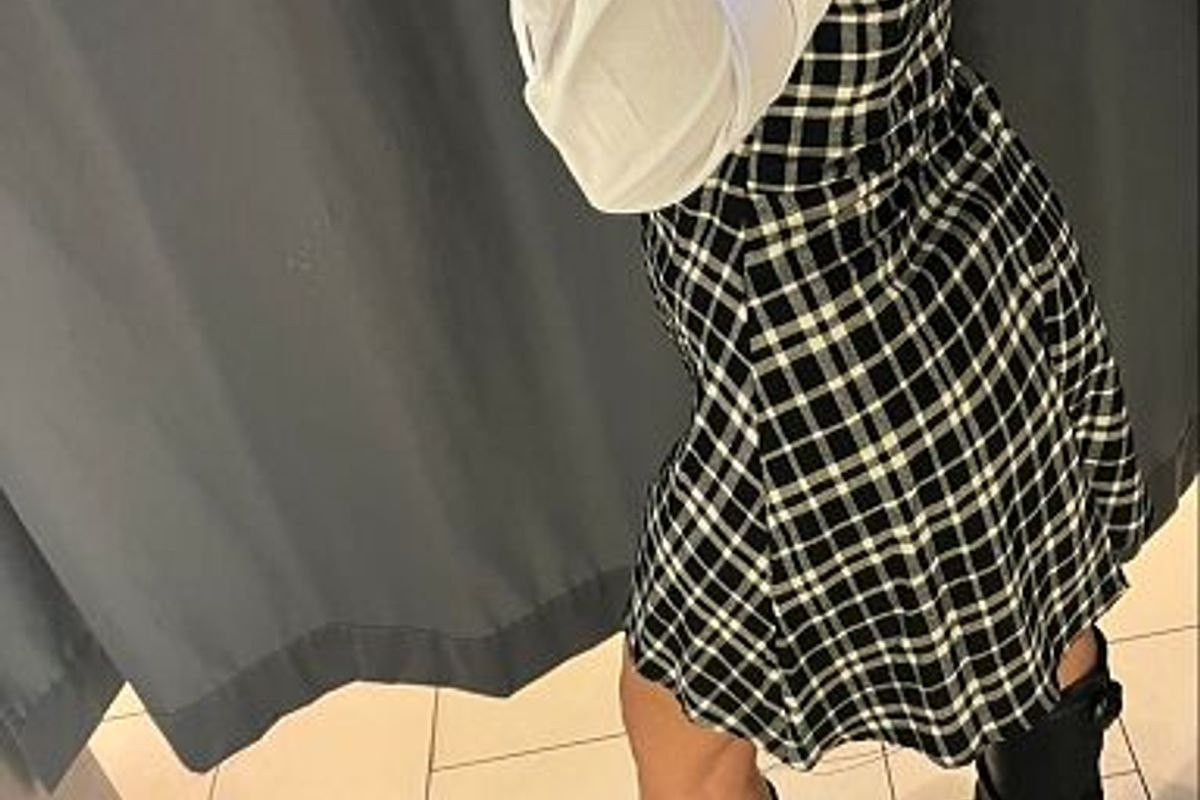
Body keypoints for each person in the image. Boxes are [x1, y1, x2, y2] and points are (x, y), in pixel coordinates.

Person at [509, 1, 1155, 798]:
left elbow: (622, 143)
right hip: (953, 225)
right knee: (1037, 601)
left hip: (821, 333)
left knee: (682, 711)